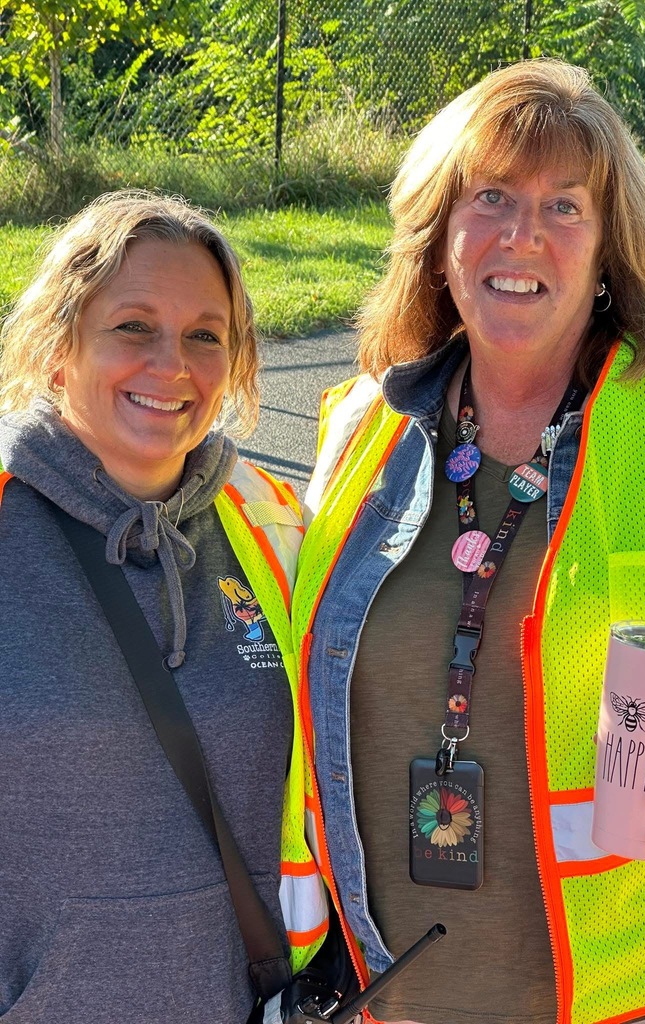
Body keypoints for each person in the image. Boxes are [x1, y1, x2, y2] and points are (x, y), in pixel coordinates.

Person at [292, 60, 645, 1024]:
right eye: (492, 198)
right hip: (404, 994)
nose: (522, 234)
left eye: (565, 207)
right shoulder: (355, 427)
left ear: (608, 251)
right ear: (438, 238)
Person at [0, 190, 329, 1023]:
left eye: (204, 336)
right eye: (133, 326)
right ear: (59, 345)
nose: (172, 365)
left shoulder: (280, 526)